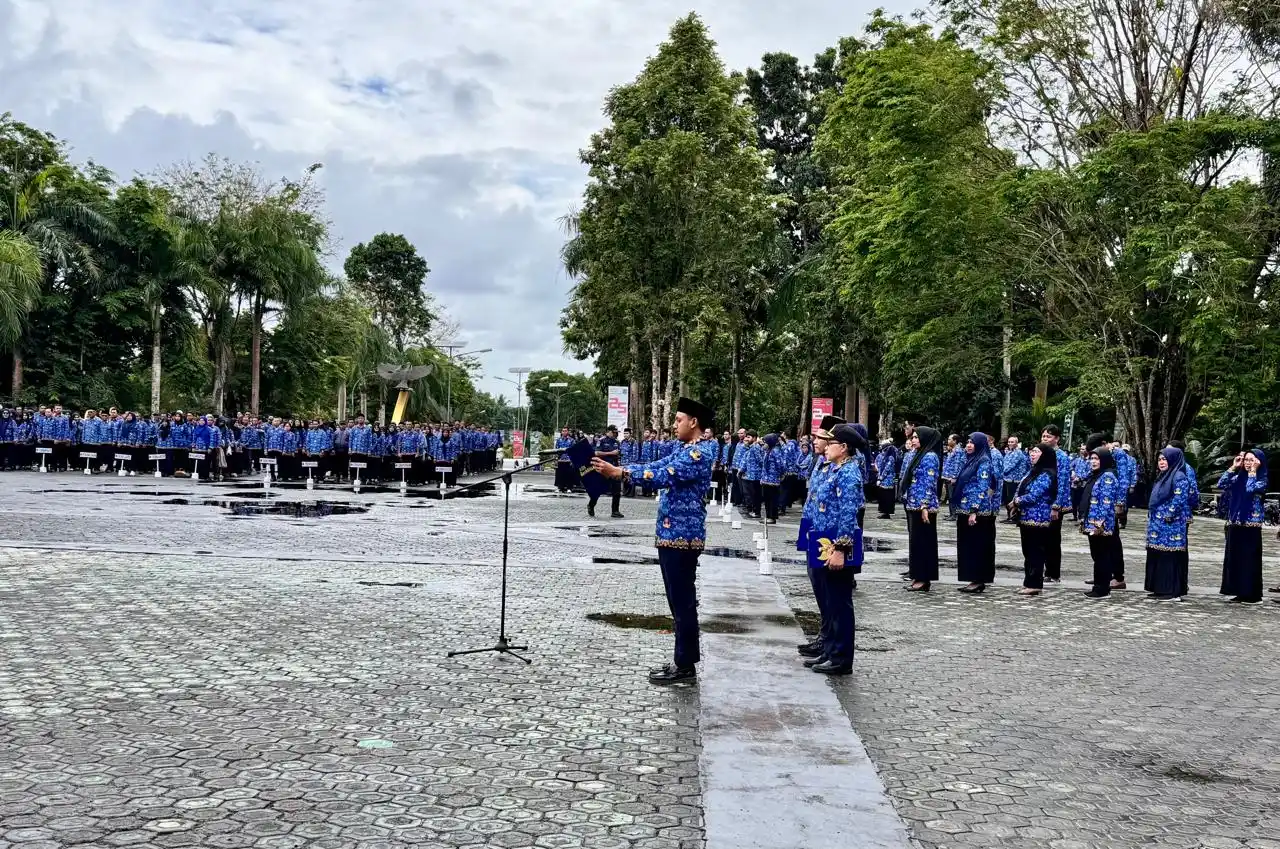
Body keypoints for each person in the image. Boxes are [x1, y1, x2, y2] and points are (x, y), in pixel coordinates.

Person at [592, 397, 715, 685]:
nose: (674, 426)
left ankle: (685, 666)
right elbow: (655, 463)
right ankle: (682, 661)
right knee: (677, 602)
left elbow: (660, 475)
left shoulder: (698, 454)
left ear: (694, 422)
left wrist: (620, 473)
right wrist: (619, 466)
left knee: (683, 603)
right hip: (672, 535)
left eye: (678, 420)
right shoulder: (685, 450)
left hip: (683, 538)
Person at [802, 423, 864, 676]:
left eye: (832, 443)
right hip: (823, 540)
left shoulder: (849, 473)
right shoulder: (834, 468)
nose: (827, 446)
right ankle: (830, 650)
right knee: (829, 599)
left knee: (839, 601)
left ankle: (841, 657)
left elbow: (848, 515)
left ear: (844, 447)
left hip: (837, 544)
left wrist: (841, 549)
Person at [1217, 449, 1266, 604]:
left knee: (1249, 560)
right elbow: (1222, 483)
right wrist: (1233, 467)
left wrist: (1253, 471)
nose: (1247, 463)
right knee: (1236, 559)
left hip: (1251, 525)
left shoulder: (1262, 479)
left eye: (1252, 460)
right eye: (1246, 460)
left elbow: (1250, 489)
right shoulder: (1238, 477)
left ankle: (1252, 594)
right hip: (1235, 522)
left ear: (1259, 462)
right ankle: (1238, 591)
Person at [953, 433, 998, 594]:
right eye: (968, 442)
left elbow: (983, 487)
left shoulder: (984, 461)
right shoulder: (971, 460)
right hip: (965, 508)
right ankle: (972, 578)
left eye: (973, 442)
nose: (969, 445)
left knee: (977, 546)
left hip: (977, 511)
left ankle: (978, 580)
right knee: (967, 546)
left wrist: (974, 510)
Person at [1144, 446, 1191, 601]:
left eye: (1165, 459)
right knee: (1159, 556)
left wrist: (1168, 514)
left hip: (1171, 526)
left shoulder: (1179, 476)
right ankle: (1160, 589)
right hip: (1159, 525)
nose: (1161, 462)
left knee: (1169, 558)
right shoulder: (1163, 476)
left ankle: (1171, 591)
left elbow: (1180, 499)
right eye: (1160, 459)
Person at [1010, 444, 1057, 596]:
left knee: (1035, 552)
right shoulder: (1033, 471)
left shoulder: (1046, 474)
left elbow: (1034, 495)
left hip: (1038, 518)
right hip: (1026, 517)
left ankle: (1035, 583)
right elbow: (1021, 488)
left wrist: (1016, 502)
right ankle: (1028, 582)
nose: (1032, 454)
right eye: (1032, 451)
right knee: (1028, 552)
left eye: (1037, 452)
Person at [900, 426, 941, 592]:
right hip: (913, 503)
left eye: (917, 437)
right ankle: (917, 575)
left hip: (924, 506)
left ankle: (924, 578)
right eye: (913, 437)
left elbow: (929, 482)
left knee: (924, 543)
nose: (914, 440)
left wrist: (924, 504)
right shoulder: (918, 454)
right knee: (915, 543)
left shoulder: (930, 456)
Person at [1079, 448, 1122, 599]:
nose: (1094, 462)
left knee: (1103, 557)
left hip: (1101, 525)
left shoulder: (1108, 476)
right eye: (1092, 459)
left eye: (1097, 459)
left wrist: (1099, 524)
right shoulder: (1096, 475)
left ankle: (1102, 589)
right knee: (1097, 556)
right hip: (1092, 522)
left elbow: (1106, 503)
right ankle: (1098, 586)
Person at [1040, 425, 1072, 583]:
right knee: (1042, 539)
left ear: (1057, 439)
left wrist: (1056, 506)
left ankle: (1053, 572)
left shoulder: (1061, 457)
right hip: (1041, 503)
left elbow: (1063, 482)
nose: (1045, 439)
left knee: (1052, 539)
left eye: (1048, 436)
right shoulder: (1042, 454)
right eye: (1044, 436)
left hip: (1054, 504)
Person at [588, 426, 623, 518]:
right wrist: (611, 453)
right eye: (614, 432)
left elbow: (618, 454)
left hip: (614, 468)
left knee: (617, 491)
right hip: (603, 468)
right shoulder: (602, 440)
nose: (616, 434)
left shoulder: (616, 442)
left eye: (616, 432)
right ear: (608, 432)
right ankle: (591, 505)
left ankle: (615, 511)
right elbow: (597, 453)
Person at [1000, 436, 1028, 522]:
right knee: (1006, 499)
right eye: (1009, 442)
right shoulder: (1009, 452)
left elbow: (1010, 466)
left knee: (1012, 499)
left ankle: (1014, 517)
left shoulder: (1018, 453)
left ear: (1016, 443)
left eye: (1012, 442)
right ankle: (1010, 516)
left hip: (1015, 480)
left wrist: (1000, 473)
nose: (1010, 443)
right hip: (1007, 479)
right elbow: (1004, 463)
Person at [760, 434, 784, 524]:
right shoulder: (768, 451)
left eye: (765, 442)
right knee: (767, 499)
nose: (764, 444)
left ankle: (772, 517)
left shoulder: (775, 451)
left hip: (773, 480)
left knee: (772, 499)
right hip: (765, 480)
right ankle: (768, 516)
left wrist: (780, 474)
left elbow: (780, 465)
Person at [874, 439, 898, 518]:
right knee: (883, 496)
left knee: (887, 496)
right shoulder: (882, 456)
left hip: (888, 480)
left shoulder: (891, 458)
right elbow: (877, 464)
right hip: (882, 479)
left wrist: (880, 478)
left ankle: (887, 512)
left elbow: (887, 469)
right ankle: (884, 511)